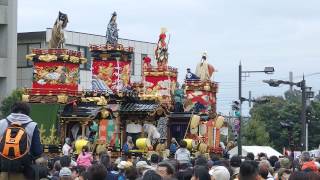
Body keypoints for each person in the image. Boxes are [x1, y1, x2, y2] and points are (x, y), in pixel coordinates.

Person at [0, 102, 43, 180]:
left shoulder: (2, 123)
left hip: (3, 172)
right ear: (27, 112)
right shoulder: (32, 125)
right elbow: (37, 151)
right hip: (23, 172)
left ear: (12, 110)